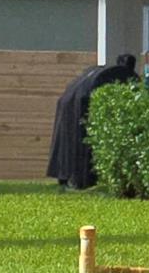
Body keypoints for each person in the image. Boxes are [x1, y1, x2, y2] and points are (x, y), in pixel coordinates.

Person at [46, 52, 138, 191]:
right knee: (80, 141)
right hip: (78, 104)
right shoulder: (121, 75)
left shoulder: (99, 73)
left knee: (70, 140)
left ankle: (65, 174)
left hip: (69, 103)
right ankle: (81, 178)